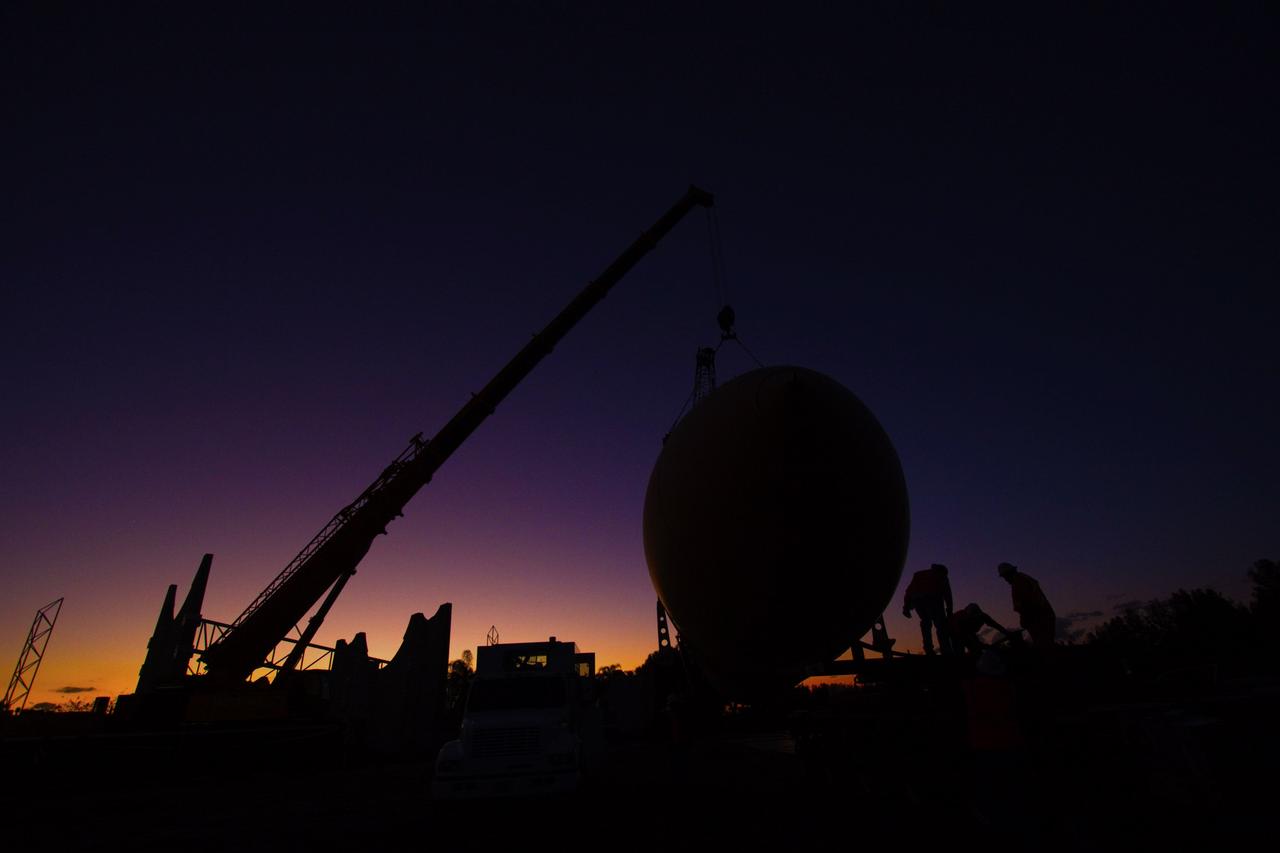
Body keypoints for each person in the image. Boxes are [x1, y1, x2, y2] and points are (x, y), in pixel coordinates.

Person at [997, 562, 1056, 648]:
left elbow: (1026, 603)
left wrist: (1025, 618)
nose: (1005, 580)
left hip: (1039, 617)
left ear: (1009, 573)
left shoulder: (1019, 582)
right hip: (1043, 616)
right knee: (1046, 645)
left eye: (1005, 577)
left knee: (1043, 646)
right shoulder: (1023, 578)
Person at [902, 563, 954, 655]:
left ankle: (929, 649)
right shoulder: (942, 576)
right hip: (932, 599)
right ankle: (945, 649)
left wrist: (906, 607)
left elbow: (909, 592)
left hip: (919, 601)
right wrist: (949, 610)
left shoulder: (919, 575)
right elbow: (947, 595)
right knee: (940, 625)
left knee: (926, 623)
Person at [949, 602, 1015, 656]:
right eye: (972, 619)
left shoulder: (983, 616)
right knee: (960, 651)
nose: (974, 620)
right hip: (953, 631)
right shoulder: (960, 619)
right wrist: (979, 644)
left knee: (977, 650)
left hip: (966, 632)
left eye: (976, 618)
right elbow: (962, 636)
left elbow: (995, 625)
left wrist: (1006, 632)